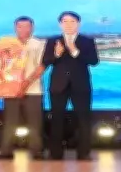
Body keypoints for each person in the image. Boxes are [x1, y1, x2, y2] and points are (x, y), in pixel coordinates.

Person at [42, 11, 99, 160]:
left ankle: (84, 152)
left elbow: (94, 61)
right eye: (65, 22)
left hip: (80, 85)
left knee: (83, 119)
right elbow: (46, 61)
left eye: (72, 21)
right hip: (58, 85)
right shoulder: (53, 41)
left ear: (78, 23)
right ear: (60, 24)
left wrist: (75, 51)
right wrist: (56, 54)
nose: (68, 24)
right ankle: (55, 153)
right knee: (56, 119)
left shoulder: (87, 41)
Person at [0, 16, 46, 160]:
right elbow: (0, 65)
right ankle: (6, 150)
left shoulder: (39, 44)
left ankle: (36, 151)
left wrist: (25, 83)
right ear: (15, 28)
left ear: (32, 28)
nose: (24, 29)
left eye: (27, 26)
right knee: (10, 121)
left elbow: (42, 66)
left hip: (33, 89)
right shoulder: (7, 45)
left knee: (35, 122)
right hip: (11, 90)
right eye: (20, 26)